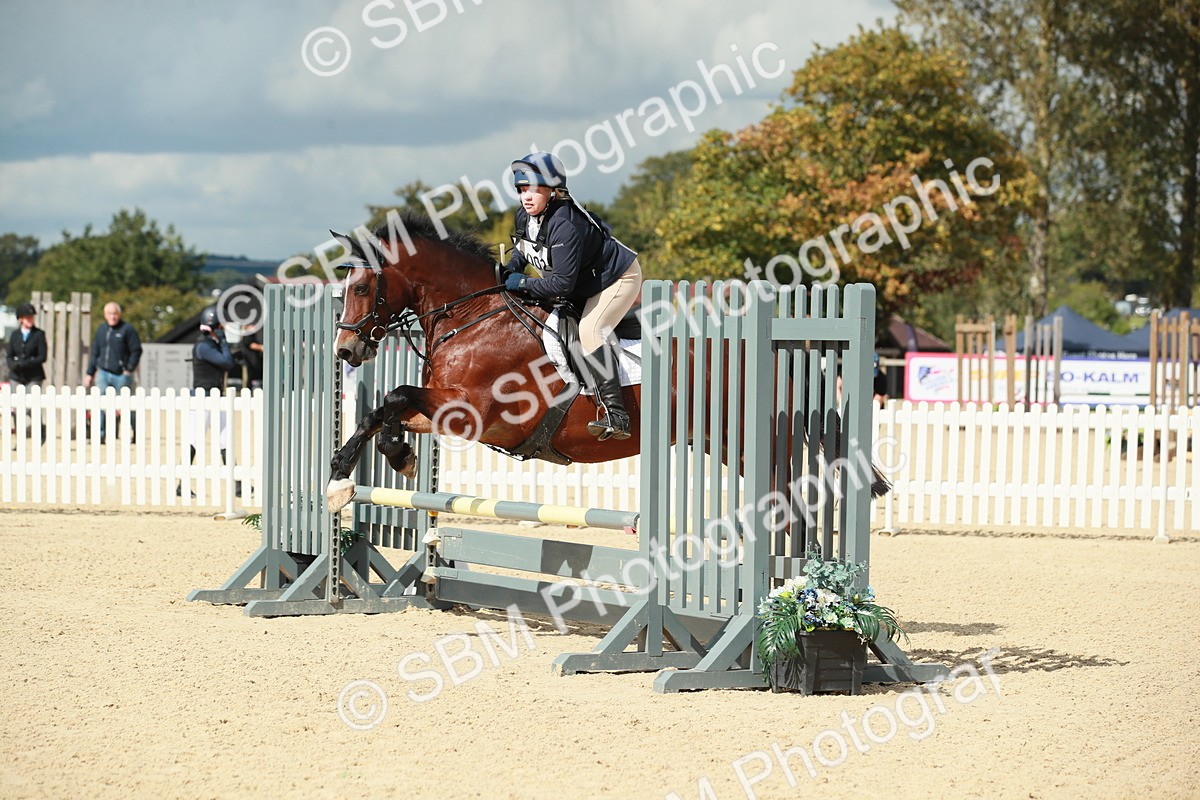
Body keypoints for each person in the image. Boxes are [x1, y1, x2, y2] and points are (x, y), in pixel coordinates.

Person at [501, 151, 643, 441]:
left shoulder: (565, 223)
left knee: (591, 330)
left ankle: (617, 415)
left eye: (534, 189)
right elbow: (521, 251)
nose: (527, 197)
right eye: (522, 189)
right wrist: (506, 273)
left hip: (616, 279)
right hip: (582, 283)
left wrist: (523, 282)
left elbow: (561, 285)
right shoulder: (525, 216)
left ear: (553, 191)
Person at [181, 307, 235, 496]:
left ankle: (235, 484)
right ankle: (183, 484)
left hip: (215, 396)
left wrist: (221, 341)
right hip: (203, 397)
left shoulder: (211, 343)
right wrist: (224, 342)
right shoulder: (204, 346)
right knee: (195, 438)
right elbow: (227, 362)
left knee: (225, 437)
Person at [84, 302, 142, 442]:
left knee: (126, 406)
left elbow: (136, 350)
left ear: (119, 314)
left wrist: (129, 368)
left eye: (115, 313)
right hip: (103, 373)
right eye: (109, 313)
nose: (112, 316)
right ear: (105, 315)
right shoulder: (101, 330)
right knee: (100, 404)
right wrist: (90, 372)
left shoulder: (127, 329)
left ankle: (135, 432)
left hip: (121, 374)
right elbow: (95, 352)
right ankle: (101, 435)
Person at [6, 302, 47, 387]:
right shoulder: (15, 334)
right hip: (16, 375)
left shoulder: (39, 334)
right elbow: (9, 355)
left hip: (34, 375)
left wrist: (25, 363)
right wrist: (12, 365)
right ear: (21, 319)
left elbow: (42, 356)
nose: (30, 320)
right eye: (27, 317)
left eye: (31, 317)